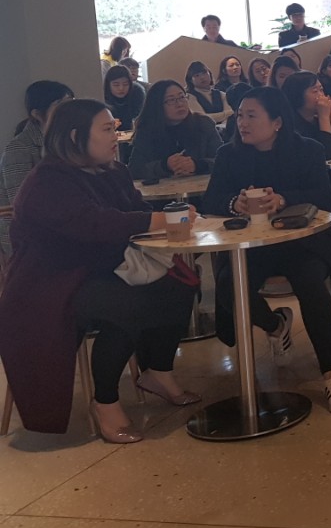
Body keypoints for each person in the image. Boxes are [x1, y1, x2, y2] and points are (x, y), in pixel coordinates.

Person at [0, 99, 198, 440]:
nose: (115, 137)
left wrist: (170, 215)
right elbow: (94, 224)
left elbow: (133, 210)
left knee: (181, 281)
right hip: (49, 285)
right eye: (107, 129)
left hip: (102, 269)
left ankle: (159, 370)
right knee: (125, 306)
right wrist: (159, 220)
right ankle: (105, 401)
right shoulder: (47, 181)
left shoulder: (112, 171)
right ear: (75, 136)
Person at [202, 87, 331, 413]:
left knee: (311, 283)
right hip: (252, 247)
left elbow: (323, 196)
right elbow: (210, 200)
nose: (242, 123)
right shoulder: (229, 155)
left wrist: (283, 199)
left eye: (251, 115)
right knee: (228, 285)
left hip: (301, 243)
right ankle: (275, 325)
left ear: (277, 122)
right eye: (240, 115)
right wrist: (235, 203)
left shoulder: (307, 150)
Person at [1, 80, 74, 255]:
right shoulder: (19, 148)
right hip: (27, 238)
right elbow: (21, 204)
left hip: (62, 226)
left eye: (71, 102)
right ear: (36, 114)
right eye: (60, 104)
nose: (68, 110)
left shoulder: (65, 141)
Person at [127, 80, 222, 180]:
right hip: (163, 188)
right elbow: (135, 170)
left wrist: (197, 165)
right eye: (171, 100)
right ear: (157, 105)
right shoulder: (147, 130)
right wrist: (165, 166)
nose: (179, 104)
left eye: (182, 97)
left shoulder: (203, 123)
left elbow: (222, 160)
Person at [282, 71, 331, 160]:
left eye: (321, 90)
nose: (321, 95)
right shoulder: (291, 126)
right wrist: (324, 118)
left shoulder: (317, 120)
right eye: (315, 91)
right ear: (297, 95)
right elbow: (325, 155)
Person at [104, 64, 144, 131]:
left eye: (125, 84)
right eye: (116, 85)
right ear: (108, 85)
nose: (121, 88)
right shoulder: (102, 95)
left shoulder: (137, 92)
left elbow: (139, 118)